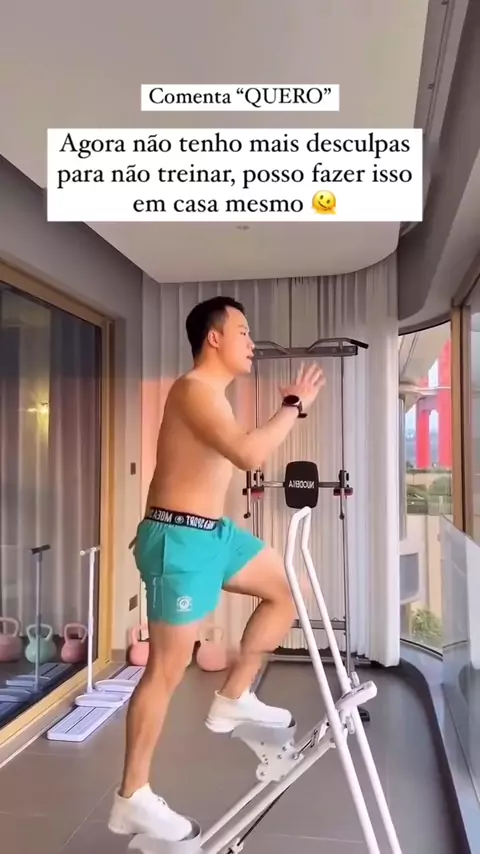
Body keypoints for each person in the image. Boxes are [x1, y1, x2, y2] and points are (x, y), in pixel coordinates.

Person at [108, 296, 325, 841]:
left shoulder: (215, 397)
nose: (251, 342)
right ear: (214, 337)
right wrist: (293, 405)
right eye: (243, 332)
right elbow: (249, 455)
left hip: (213, 534)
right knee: (167, 669)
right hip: (179, 540)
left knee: (287, 589)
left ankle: (234, 698)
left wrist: (290, 408)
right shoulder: (192, 391)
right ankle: (131, 796)